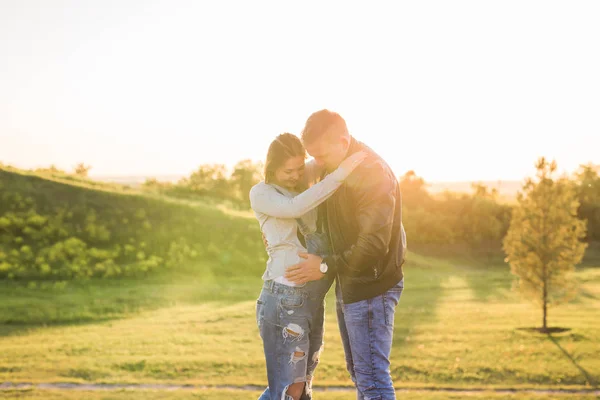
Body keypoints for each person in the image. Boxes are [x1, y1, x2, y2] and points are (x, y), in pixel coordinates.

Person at [284, 109, 407, 400]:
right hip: (351, 281)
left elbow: (373, 245)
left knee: (372, 378)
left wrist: (325, 266)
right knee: (361, 373)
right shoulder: (335, 165)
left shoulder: (372, 173)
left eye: (322, 156)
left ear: (343, 141)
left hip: (371, 287)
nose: (317, 163)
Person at [249, 132, 366, 400]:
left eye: (299, 168)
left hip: (312, 298)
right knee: (291, 388)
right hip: (284, 298)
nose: (294, 175)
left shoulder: (304, 185)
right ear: (271, 168)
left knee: (301, 386)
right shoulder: (262, 192)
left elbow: (326, 154)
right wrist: (342, 173)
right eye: (287, 170)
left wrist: (350, 148)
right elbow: (294, 208)